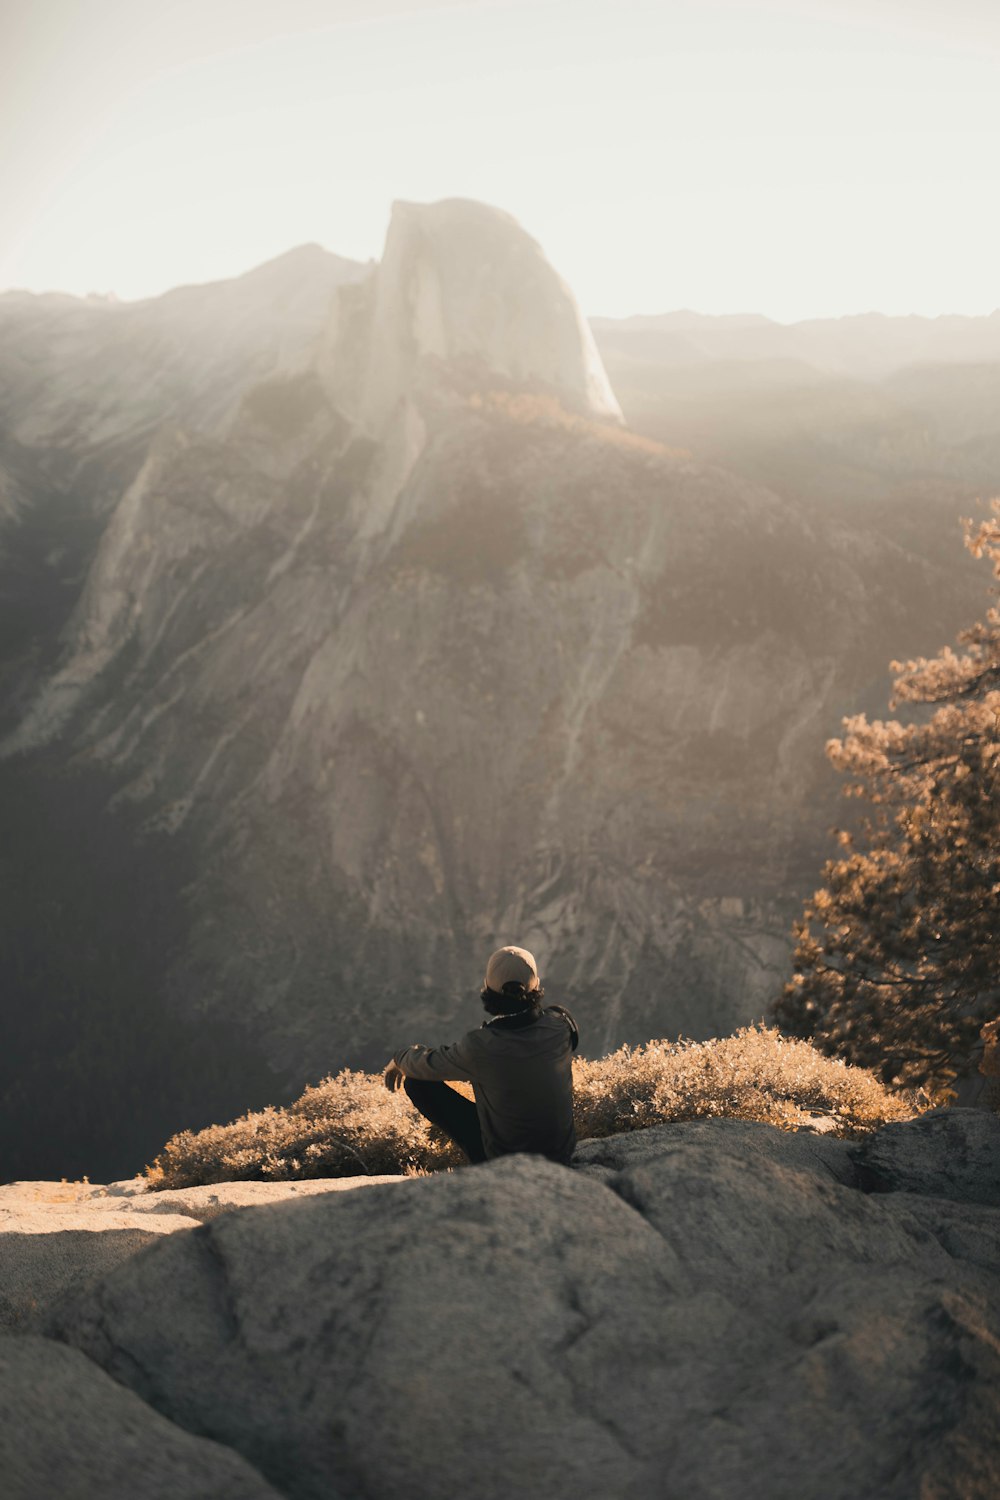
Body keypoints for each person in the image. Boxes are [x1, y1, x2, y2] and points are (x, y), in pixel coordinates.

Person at [384, 944, 578, 1166]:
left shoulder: (480, 1046)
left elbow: (428, 1064)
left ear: (487, 989)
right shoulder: (561, 1026)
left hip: (504, 1161)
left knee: (418, 1083)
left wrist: (401, 1058)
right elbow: (557, 1020)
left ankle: (484, 1168)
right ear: (536, 987)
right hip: (561, 1156)